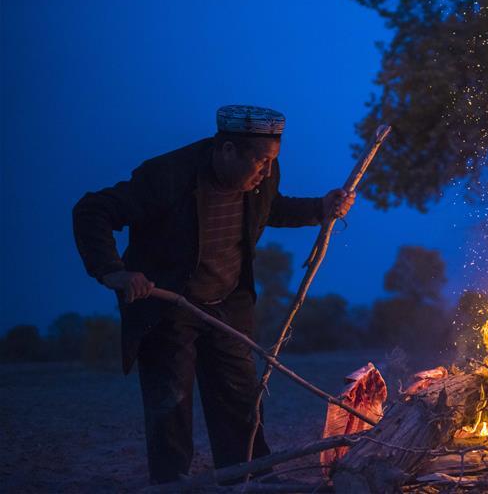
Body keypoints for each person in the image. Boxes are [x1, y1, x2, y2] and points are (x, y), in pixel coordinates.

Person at [72, 105, 354, 484]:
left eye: (272, 162)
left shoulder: (260, 176)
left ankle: (251, 480)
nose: (267, 172)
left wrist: (320, 208)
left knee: (240, 402)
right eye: (260, 161)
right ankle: (172, 485)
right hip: (166, 306)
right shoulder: (166, 177)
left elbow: (270, 208)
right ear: (226, 151)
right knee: (170, 405)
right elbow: (93, 210)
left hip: (227, 304)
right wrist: (114, 272)